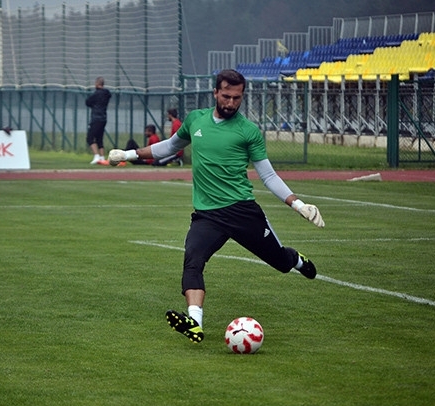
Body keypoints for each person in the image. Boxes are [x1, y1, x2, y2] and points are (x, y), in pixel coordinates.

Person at [108, 69, 325, 343]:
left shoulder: (248, 132)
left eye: (237, 97)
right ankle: (195, 322)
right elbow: (170, 147)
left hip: (243, 212)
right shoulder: (195, 120)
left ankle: (295, 260)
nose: (231, 103)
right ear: (215, 93)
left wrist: (299, 204)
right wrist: (128, 154)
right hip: (207, 215)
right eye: (226, 96)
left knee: (280, 262)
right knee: (192, 260)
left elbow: (268, 175)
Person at [86, 76, 112, 165]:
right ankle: (102, 157)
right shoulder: (107, 94)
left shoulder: (96, 94)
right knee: (99, 138)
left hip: (96, 118)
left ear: (97, 83)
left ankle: (96, 156)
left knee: (90, 138)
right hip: (104, 118)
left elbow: (88, 102)